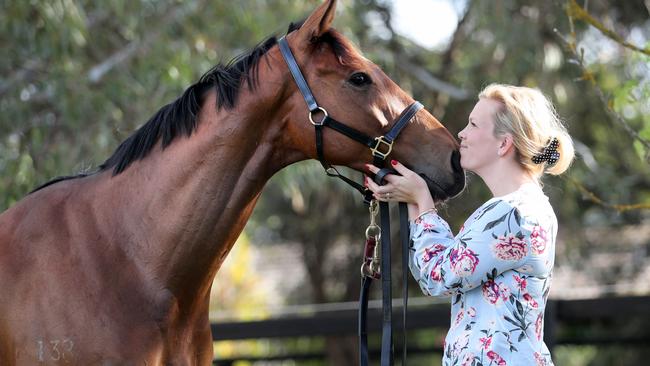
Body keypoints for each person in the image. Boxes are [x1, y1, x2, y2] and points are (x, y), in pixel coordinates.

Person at [365, 83, 574, 366]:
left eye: (474, 124)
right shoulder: (521, 207)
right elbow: (432, 272)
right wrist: (414, 198)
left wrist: (422, 202)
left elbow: (438, 276)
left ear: (504, 144)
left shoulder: (512, 214)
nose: (462, 133)